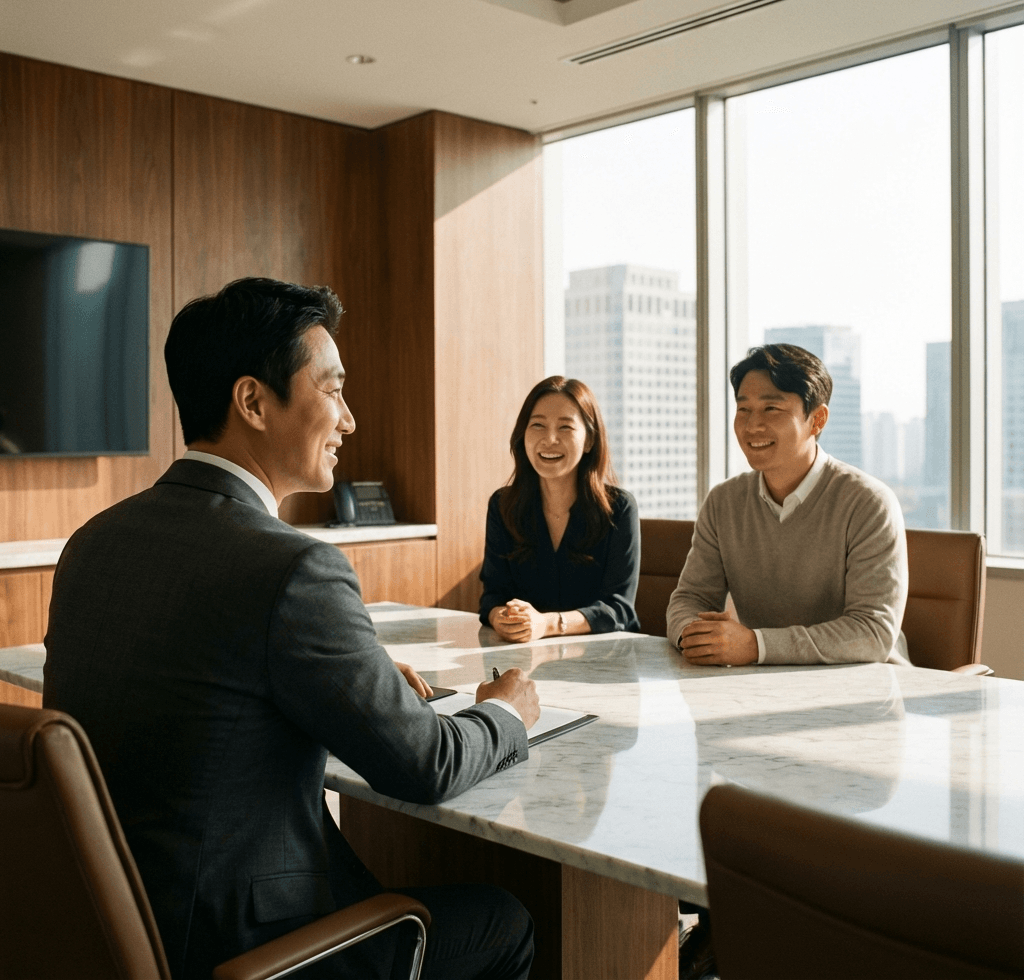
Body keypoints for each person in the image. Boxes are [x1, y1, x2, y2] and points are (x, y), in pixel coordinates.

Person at [43, 277, 539, 980]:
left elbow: (201, 707)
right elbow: (424, 765)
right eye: (332, 389)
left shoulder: (94, 544)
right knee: (503, 923)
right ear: (253, 400)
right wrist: (505, 715)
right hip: (244, 950)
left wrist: (354, 683)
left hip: (113, 932)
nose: (350, 420)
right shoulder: (293, 566)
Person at [668, 342, 910, 667]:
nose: (752, 425)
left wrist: (756, 646)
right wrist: (695, 637)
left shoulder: (869, 503)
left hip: (866, 694)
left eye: (772, 409)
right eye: (743, 409)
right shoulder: (724, 502)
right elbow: (690, 599)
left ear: (818, 419)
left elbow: (872, 633)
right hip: (758, 686)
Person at [480, 375, 640, 641]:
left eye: (565, 428)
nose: (550, 439)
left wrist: (548, 624)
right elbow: (493, 596)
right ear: (523, 436)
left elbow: (619, 608)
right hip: (522, 655)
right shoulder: (503, 505)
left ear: (589, 441)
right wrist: (500, 617)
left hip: (605, 663)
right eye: (538, 425)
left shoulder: (619, 508)